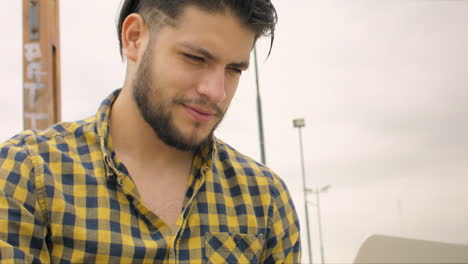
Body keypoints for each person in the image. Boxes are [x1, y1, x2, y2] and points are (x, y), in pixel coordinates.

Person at [0, 0, 301, 263]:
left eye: (233, 70)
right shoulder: (28, 175)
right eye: (195, 58)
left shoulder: (264, 199)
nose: (216, 91)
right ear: (134, 38)